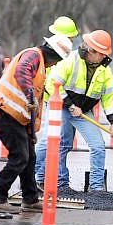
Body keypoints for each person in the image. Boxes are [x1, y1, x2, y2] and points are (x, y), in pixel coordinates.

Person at [0, 34, 73, 214]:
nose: (57, 63)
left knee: (30, 158)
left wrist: (31, 133)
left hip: (18, 118)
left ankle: (30, 199)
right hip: (7, 112)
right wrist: (30, 95)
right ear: (52, 54)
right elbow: (22, 71)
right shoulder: (33, 55)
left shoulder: (41, 64)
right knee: (20, 157)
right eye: (58, 59)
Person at [52, 29, 113, 192]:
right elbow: (54, 84)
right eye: (101, 53)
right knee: (63, 145)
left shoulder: (105, 70)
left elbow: (109, 99)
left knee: (98, 146)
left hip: (83, 111)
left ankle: (96, 188)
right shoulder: (71, 60)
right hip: (62, 107)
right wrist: (70, 105)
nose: (104, 56)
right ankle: (61, 184)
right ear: (91, 50)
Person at [34, 16, 79, 190]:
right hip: (53, 102)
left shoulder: (62, 51)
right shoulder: (55, 53)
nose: (72, 40)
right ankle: (36, 175)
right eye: (70, 37)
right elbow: (50, 84)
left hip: (59, 101)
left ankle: (41, 176)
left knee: (60, 141)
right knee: (47, 140)